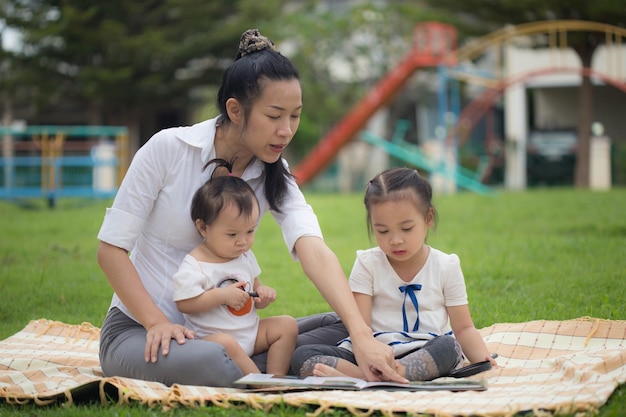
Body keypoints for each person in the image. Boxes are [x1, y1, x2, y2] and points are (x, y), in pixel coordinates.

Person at [96, 28, 404, 387]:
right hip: (144, 332)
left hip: (236, 332)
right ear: (235, 110)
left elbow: (312, 248)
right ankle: (279, 369)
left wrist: (362, 334)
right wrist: (156, 322)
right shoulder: (167, 149)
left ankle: (271, 368)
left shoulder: (273, 172)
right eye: (275, 116)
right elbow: (111, 250)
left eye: (295, 116)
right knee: (212, 358)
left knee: (347, 324)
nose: (286, 131)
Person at [292, 167, 497, 381]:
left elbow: (463, 328)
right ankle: (381, 375)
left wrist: (483, 359)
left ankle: (367, 377)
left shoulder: (446, 265)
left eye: (406, 228)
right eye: (382, 231)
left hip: (425, 350)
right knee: (303, 356)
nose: (395, 240)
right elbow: (361, 326)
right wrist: (371, 357)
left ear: (428, 218)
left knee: (449, 346)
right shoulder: (367, 263)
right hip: (373, 352)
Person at [173, 159, 297, 376]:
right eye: (232, 234)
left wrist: (262, 296)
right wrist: (222, 296)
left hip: (251, 333)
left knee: (287, 325)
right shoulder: (196, 264)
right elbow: (184, 303)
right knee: (226, 342)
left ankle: (278, 377)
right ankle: (260, 383)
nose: (242, 241)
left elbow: (254, 294)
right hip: (213, 342)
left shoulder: (245, 256)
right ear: (203, 227)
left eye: (250, 232)